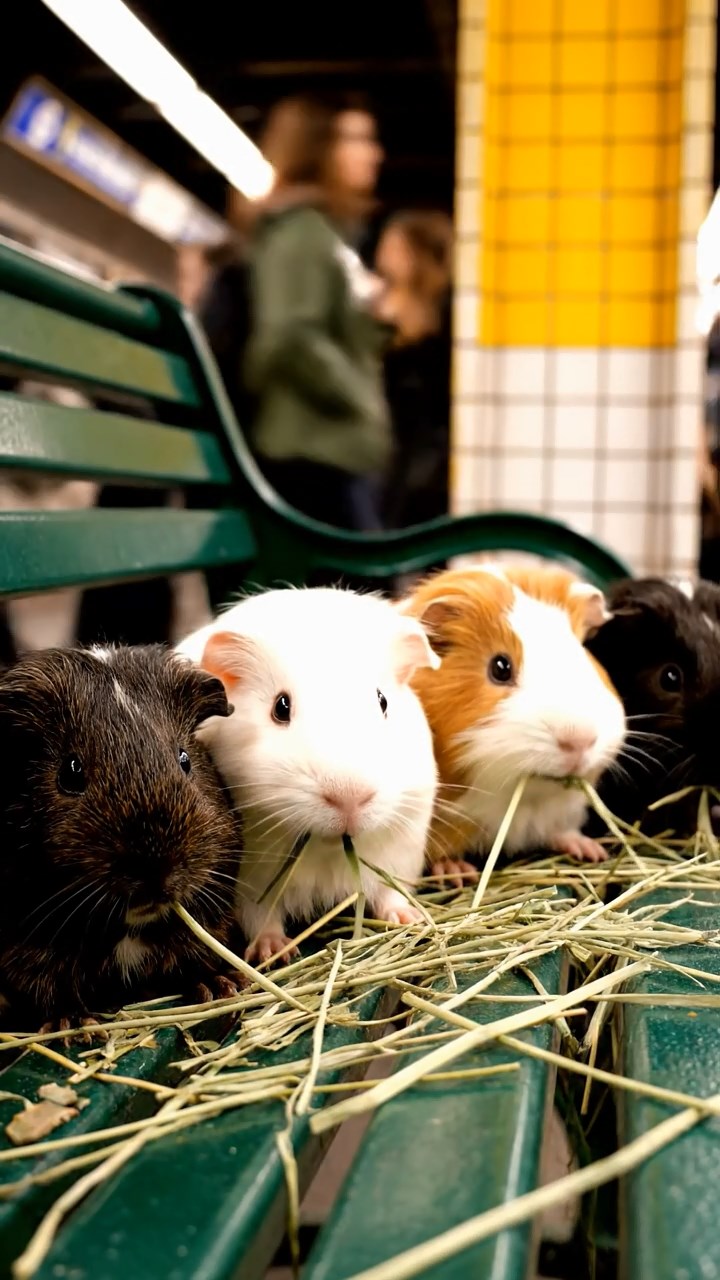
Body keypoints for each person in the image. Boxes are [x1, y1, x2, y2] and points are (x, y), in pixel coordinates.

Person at [244, 94, 391, 532]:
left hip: (327, 455)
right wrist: (361, 400)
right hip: (310, 459)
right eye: (357, 139)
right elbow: (290, 336)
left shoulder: (326, 235)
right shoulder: (302, 234)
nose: (374, 153)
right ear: (320, 148)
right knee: (366, 588)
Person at [374, 210, 453, 528]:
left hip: (418, 447)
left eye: (394, 246)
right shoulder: (378, 301)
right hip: (387, 441)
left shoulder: (441, 312)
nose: (381, 254)